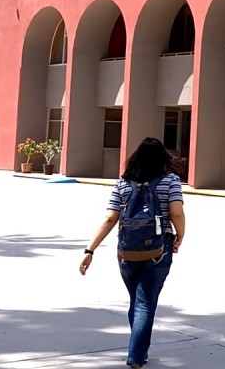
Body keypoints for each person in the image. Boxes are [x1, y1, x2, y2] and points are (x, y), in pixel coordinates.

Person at [79, 137, 186, 368]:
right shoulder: (170, 181)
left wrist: (90, 250)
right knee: (145, 303)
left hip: (127, 251)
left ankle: (139, 350)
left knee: (137, 301)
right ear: (163, 158)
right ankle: (136, 357)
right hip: (158, 249)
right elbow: (176, 213)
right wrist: (180, 236)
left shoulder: (123, 183)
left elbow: (110, 218)